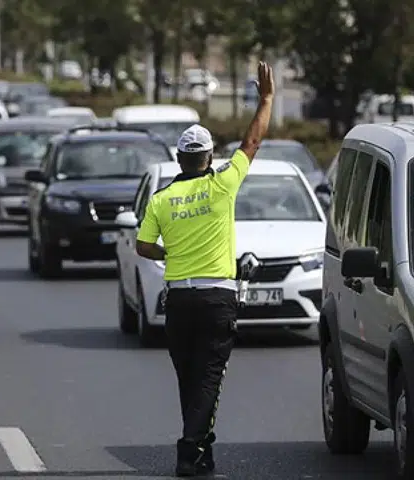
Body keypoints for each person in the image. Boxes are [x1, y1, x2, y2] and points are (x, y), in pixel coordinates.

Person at [135, 61, 275, 477]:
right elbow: (252, 141)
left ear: (179, 158)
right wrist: (266, 98)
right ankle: (188, 449)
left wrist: (170, 254)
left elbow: (143, 246)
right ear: (210, 156)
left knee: (189, 379)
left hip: (178, 298)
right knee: (210, 377)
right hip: (218, 298)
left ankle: (202, 451)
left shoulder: (162, 198)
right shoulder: (222, 185)